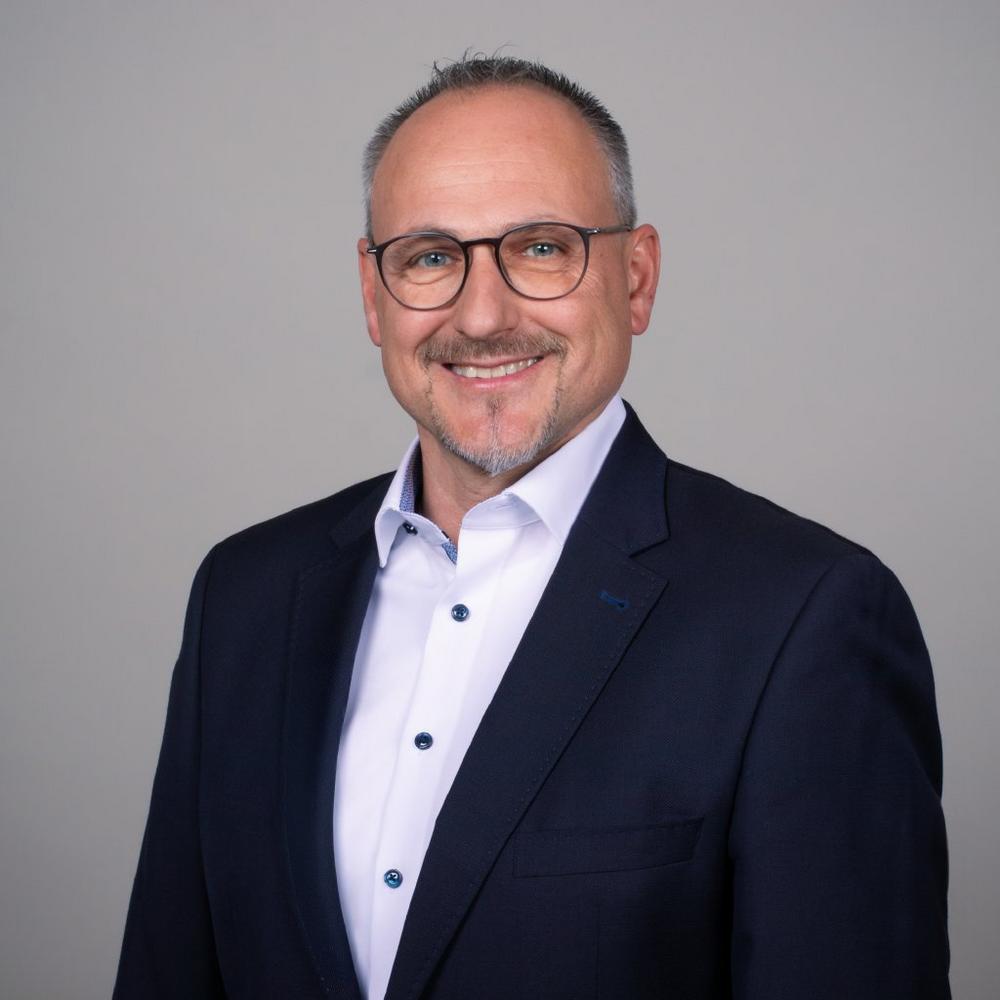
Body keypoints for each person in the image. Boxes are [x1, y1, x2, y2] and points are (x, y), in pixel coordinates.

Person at [114, 56, 950, 1000]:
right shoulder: (244, 598)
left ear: (637, 278)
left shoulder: (803, 618)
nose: (482, 316)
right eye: (430, 257)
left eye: (542, 248)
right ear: (373, 296)